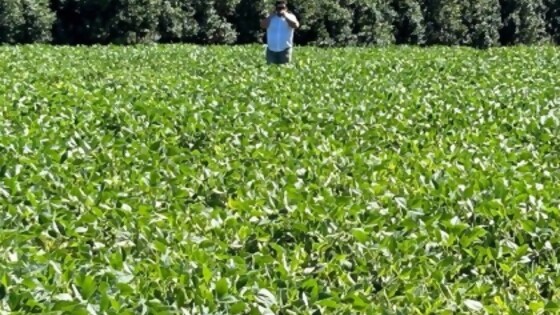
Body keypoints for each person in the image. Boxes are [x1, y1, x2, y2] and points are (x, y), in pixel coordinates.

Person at [260, 0, 300, 65]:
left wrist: (285, 16)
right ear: (275, 8)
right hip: (271, 50)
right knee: (270, 72)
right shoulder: (270, 17)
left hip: (285, 50)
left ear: (286, 8)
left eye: (282, 8)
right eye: (278, 8)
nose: (280, 10)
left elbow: (296, 25)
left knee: (285, 72)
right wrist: (270, 16)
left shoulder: (290, 16)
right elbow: (262, 25)